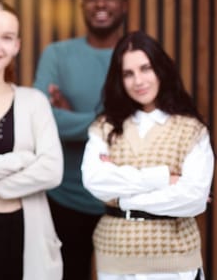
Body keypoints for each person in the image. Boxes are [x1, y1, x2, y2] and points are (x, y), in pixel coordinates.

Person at [81, 31, 213, 280]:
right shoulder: (104, 126)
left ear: (161, 69)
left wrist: (124, 201)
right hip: (114, 259)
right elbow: (95, 181)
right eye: (128, 73)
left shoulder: (191, 129)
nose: (138, 80)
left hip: (174, 264)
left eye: (145, 68)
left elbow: (193, 198)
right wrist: (162, 177)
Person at [33, 0, 130, 280]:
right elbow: (41, 122)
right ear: (82, 4)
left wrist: (71, 114)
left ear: (125, 4)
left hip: (123, 198)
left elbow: (141, 126)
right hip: (64, 198)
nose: (100, 4)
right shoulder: (57, 55)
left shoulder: (137, 58)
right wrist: (108, 119)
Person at [0, 2, 63, 280]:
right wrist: (21, 160)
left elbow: (52, 170)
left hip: (28, 233)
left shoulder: (34, 102)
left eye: (6, 38)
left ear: (17, 45)